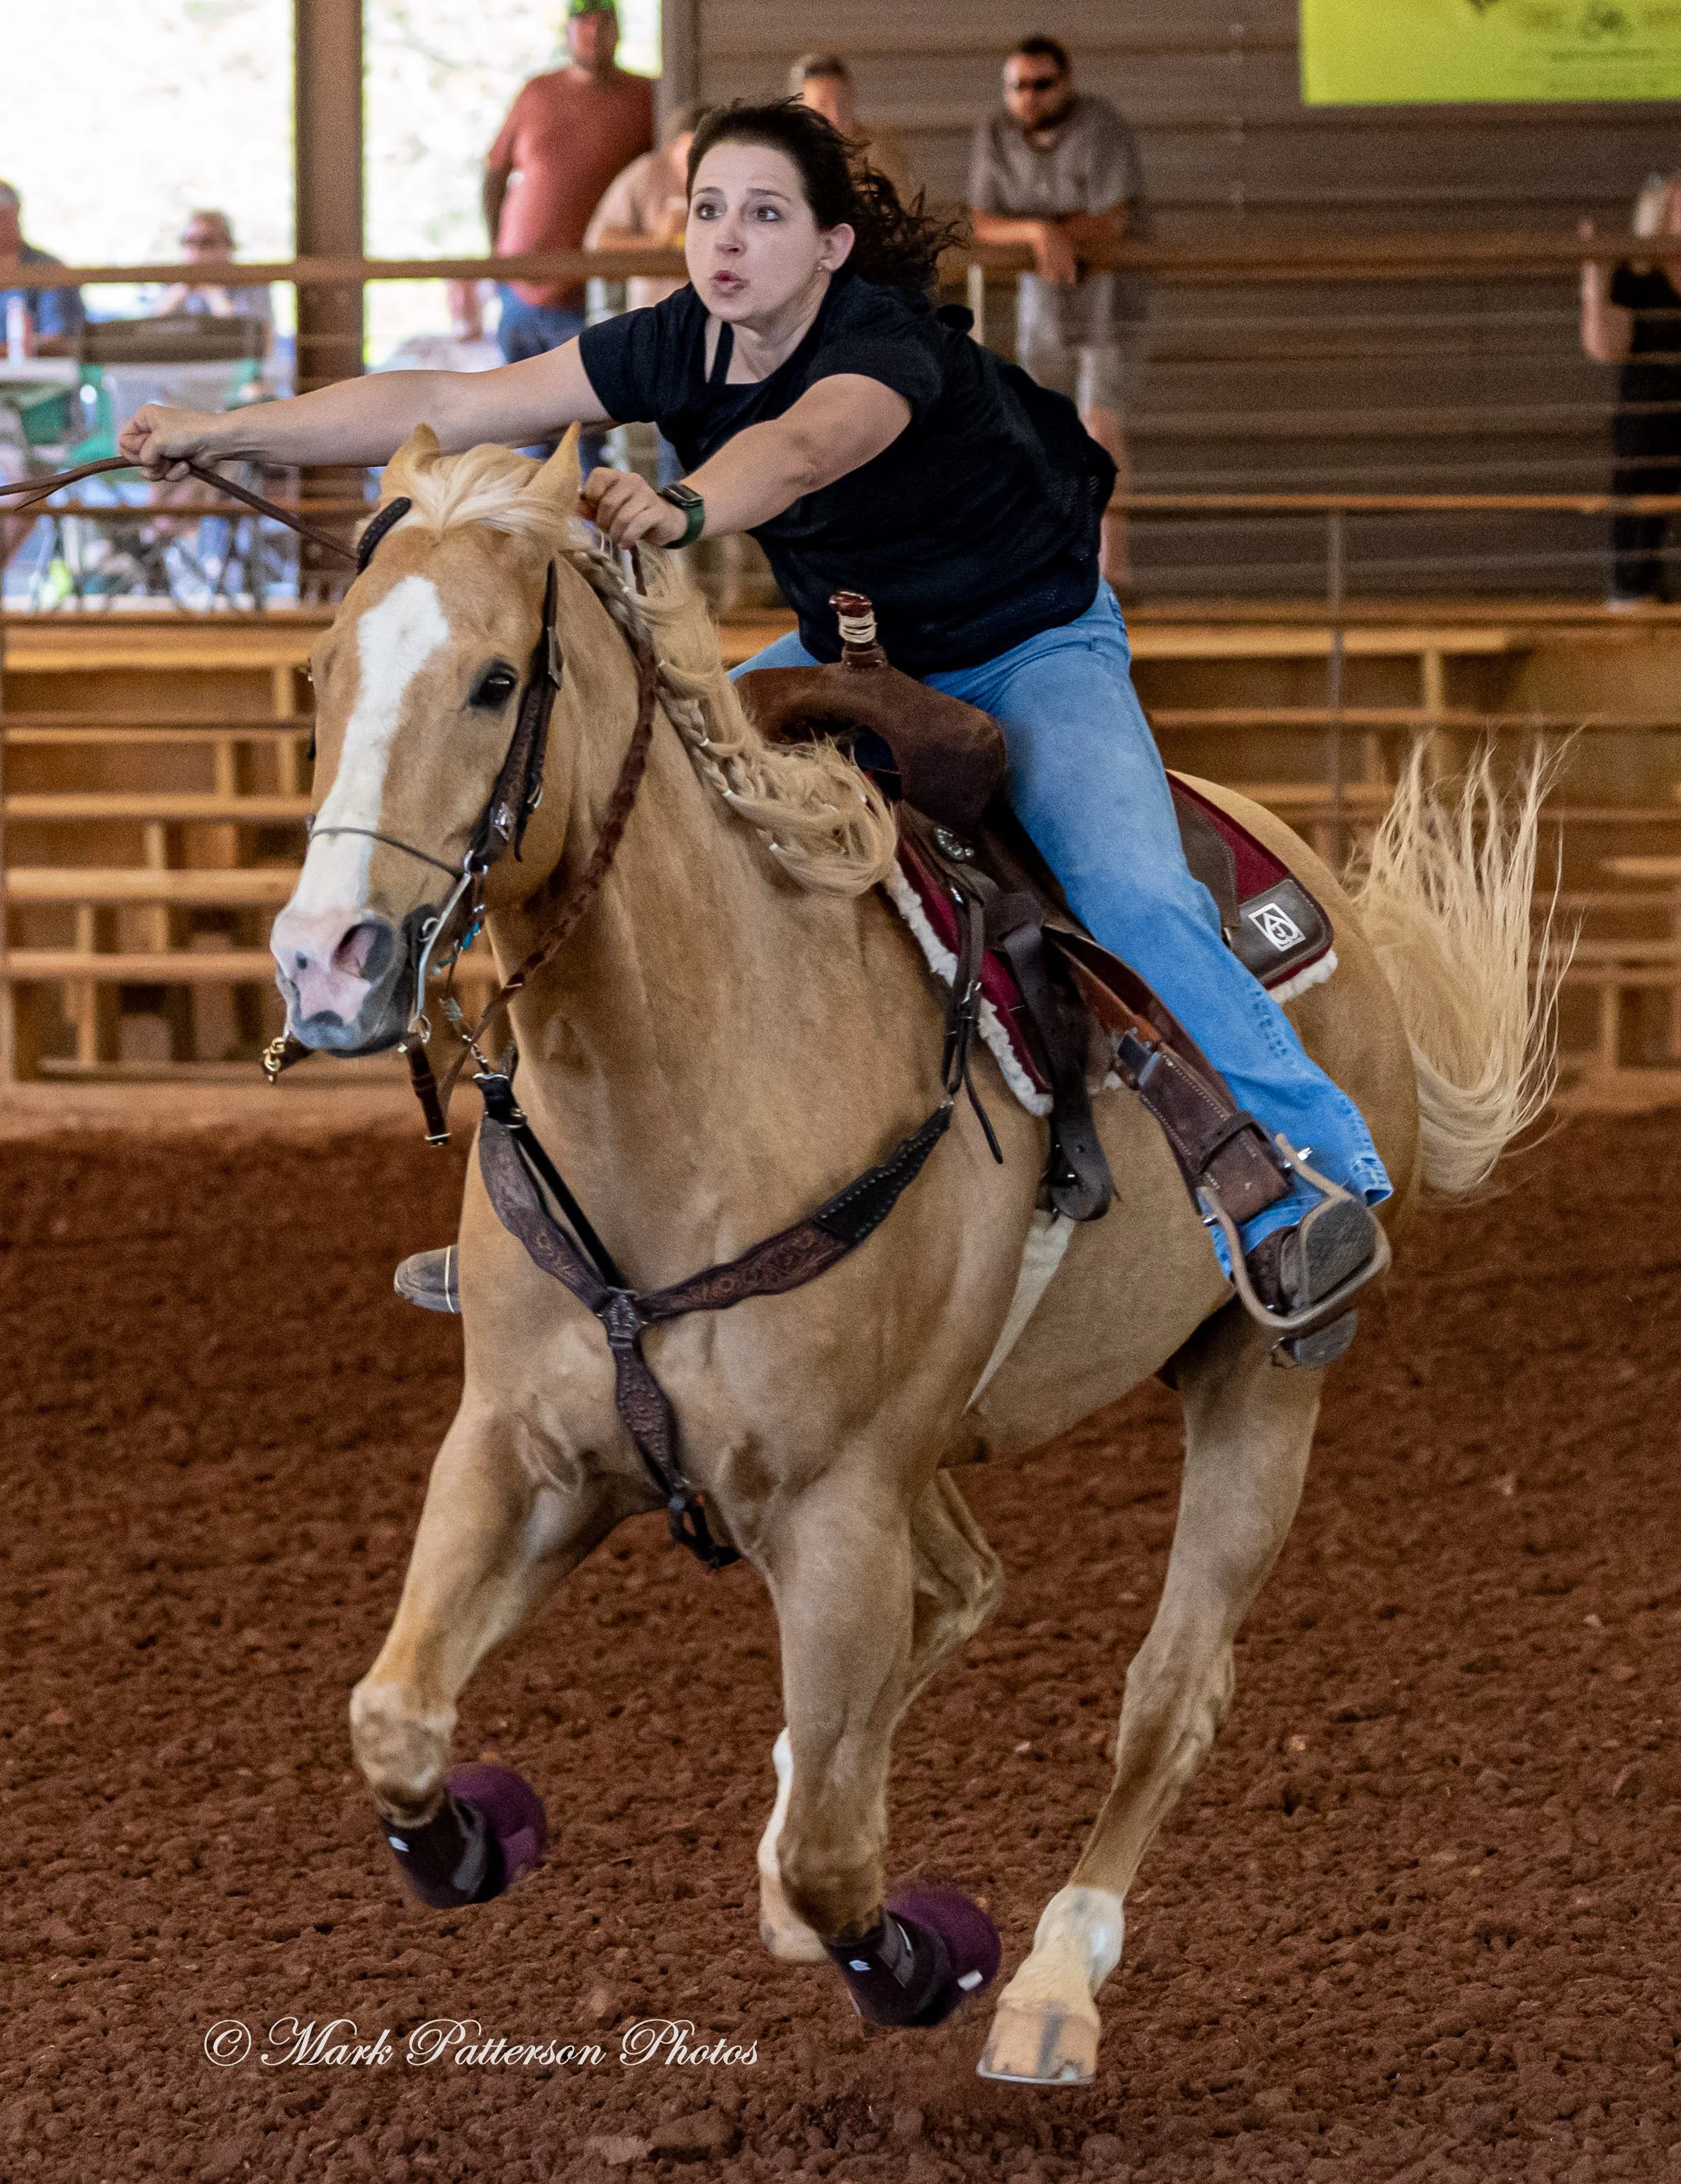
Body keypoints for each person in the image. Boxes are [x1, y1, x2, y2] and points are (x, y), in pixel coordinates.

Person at [117, 99, 1390, 1324]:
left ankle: (1313, 1171)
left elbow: (801, 451)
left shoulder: (887, 349)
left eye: (765, 214)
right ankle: (562, 1219)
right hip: (850, 651)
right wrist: (226, 429)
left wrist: (683, 509)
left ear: (830, 247)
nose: (725, 238)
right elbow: (443, 400)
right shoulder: (674, 339)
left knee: (1132, 890)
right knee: (648, 816)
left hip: (1025, 651)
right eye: (707, 208)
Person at [967, 37, 1147, 588]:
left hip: (1109, 292)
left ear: (1066, 84)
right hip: (1039, 290)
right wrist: (1040, 232)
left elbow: (1113, 218)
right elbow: (980, 219)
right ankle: (1056, 559)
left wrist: (1052, 237)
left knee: (1102, 426)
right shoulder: (995, 132)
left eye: (1042, 84)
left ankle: (1112, 570)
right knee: (1046, 426)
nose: (1030, 97)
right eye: (1018, 86)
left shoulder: (1102, 126)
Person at [483, 0, 654, 369]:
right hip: (520, 290)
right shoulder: (536, 93)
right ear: (568, 32)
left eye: (603, 23)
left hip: (590, 295)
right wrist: (496, 257)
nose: (593, 33)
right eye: (583, 23)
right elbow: (494, 174)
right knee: (513, 416)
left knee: (584, 417)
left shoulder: (645, 97)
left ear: (618, 31)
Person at [1581, 174, 1681, 607]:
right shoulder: (1639, 283)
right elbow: (1605, 346)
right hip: (1652, 428)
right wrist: (1594, 280)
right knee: (1640, 489)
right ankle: (1632, 591)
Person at [584, 105, 698, 313]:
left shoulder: (731, 177)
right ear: (671, 150)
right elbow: (598, 243)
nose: (700, 163)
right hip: (653, 316)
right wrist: (656, 241)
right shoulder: (647, 172)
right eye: (692, 153)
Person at [789, 53, 916, 209]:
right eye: (822, 105)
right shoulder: (789, 154)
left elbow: (897, 210)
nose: (835, 114)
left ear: (852, 98)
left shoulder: (880, 150)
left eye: (841, 101)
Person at [148, 210, 273, 336]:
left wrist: (215, 296)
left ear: (228, 245)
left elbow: (260, 340)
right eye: (189, 242)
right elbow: (141, 334)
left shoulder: (253, 281)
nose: (196, 251)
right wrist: (173, 298)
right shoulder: (167, 282)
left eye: (207, 242)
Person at [0, 180, 84, 351]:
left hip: (36, 374)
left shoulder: (48, 269)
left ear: (11, 216)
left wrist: (10, 350)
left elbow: (60, 336)